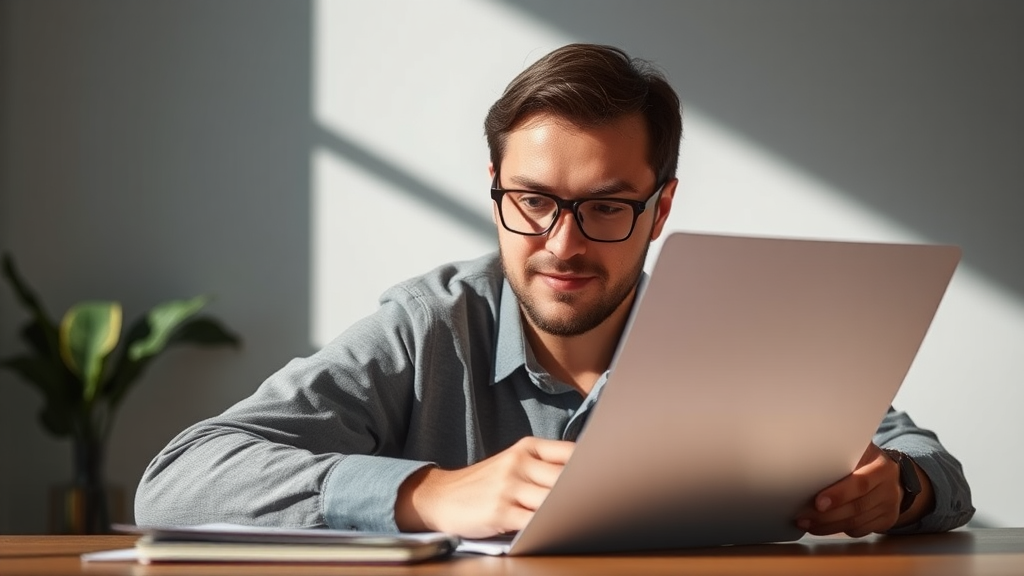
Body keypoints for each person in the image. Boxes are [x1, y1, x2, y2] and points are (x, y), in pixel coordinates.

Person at [135, 43, 974, 539]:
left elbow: (938, 471)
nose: (562, 245)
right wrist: (425, 493)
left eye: (606, 206)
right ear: (494, 188)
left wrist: (897, 487)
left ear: (661, 207)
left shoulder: (739, 329)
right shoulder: (427, 330)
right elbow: (176, 481)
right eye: (533, 202)